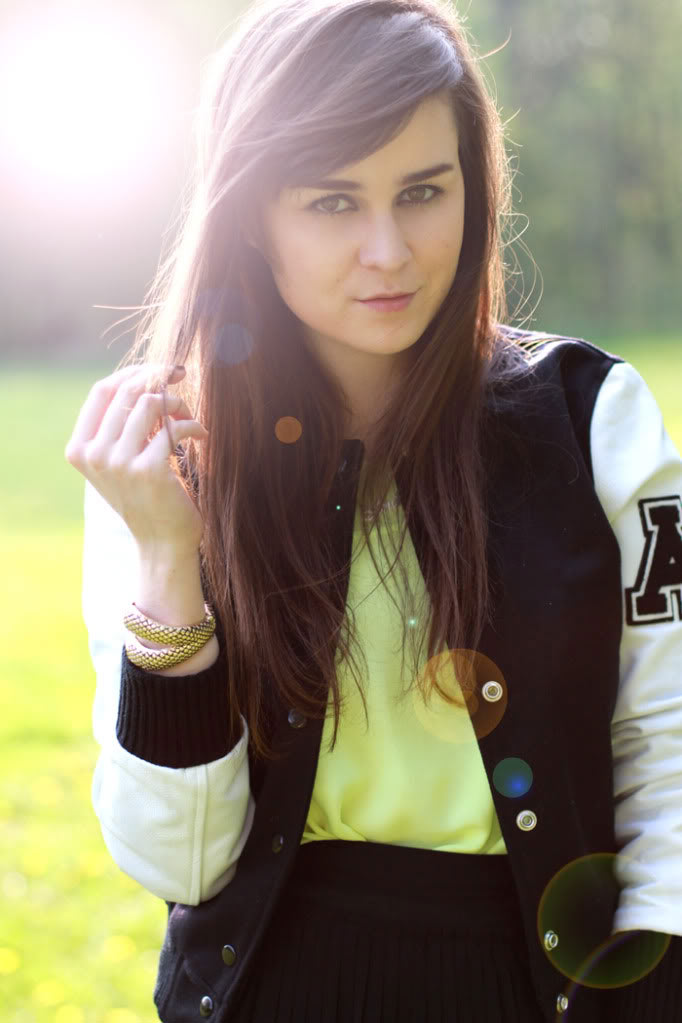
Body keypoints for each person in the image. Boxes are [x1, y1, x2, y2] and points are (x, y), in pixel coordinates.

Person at [65, 0, 682, 1019]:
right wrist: (169, 563)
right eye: (333, 202)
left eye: (423, 191)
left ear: (474, 188)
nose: (389, 251)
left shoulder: (593, 421)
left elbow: (667, 755)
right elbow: (179, 860)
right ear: (251, 216)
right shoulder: (162, 456)